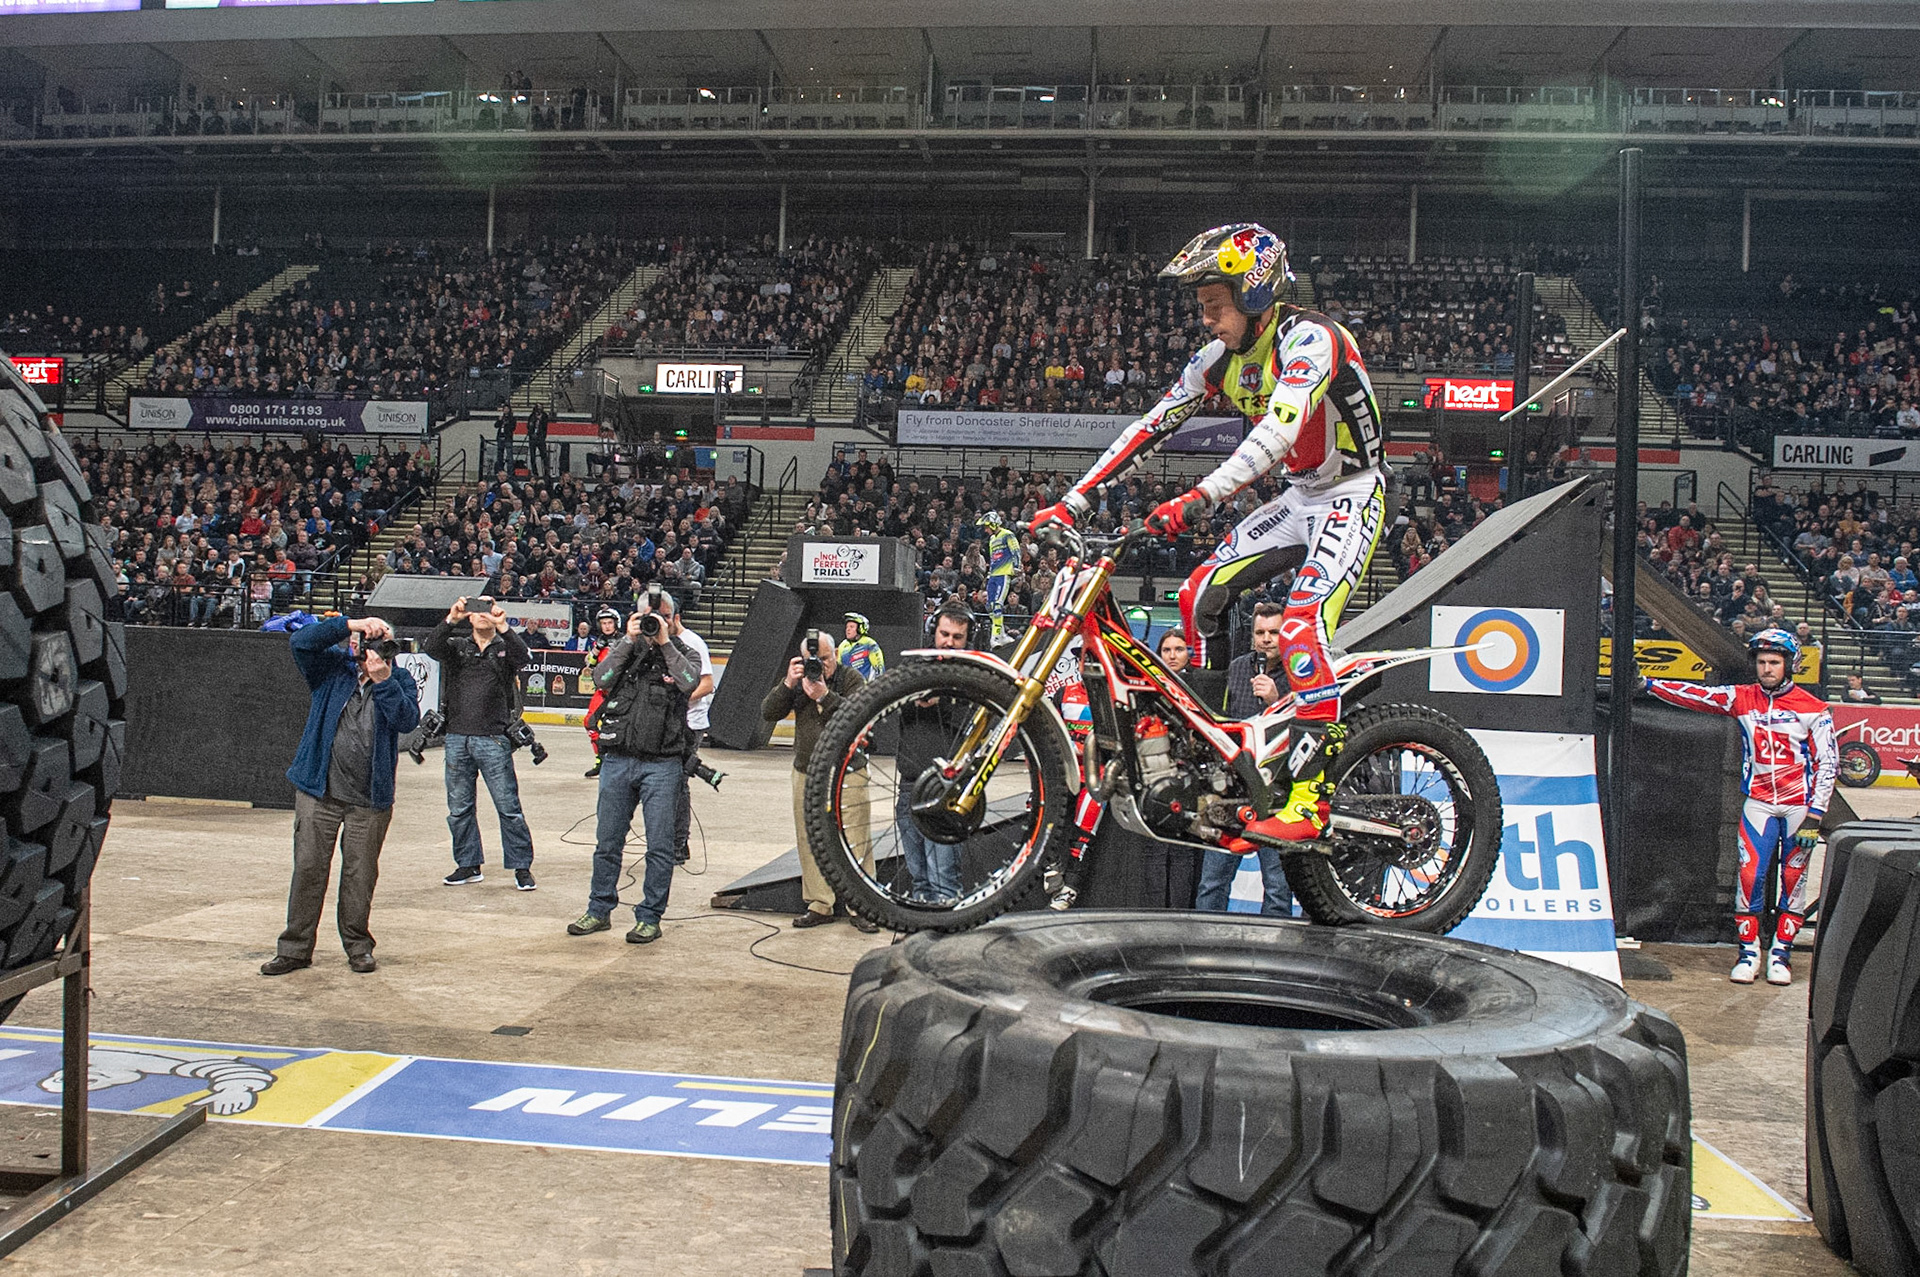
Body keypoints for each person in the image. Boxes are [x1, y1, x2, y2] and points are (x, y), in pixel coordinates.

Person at [1032, 223, 1386, 847]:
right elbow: (1151, 426)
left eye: (1213, 306)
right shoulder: (1220, 362)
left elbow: (1277, 431)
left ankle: (1311, 799)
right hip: (1301, 495)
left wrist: (1203, 495)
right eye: (1201, 308)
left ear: (1255, 294)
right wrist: (1073, 499)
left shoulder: (1314, 340)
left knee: (1302, 626)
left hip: (1353, 493)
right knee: (1197, 595)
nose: (1205, 320)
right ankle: (1221, 752)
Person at [1642, 628, 1836, 986]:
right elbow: (1699, 696)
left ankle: (1781, 954)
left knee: (1793, 881)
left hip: (1799, 808)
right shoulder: (1742, 697)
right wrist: (1650, 685)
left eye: (1774, 662)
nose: (1767, 668)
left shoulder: (1815, 709)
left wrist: (1815, 815)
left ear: (1788, 665)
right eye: (1762, 662)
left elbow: (1829, 764)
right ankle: (1749, 953)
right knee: (1748, 878)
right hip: (1759, 803)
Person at [262, 614, 419, 976]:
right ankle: (295, 948)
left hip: (369, 798)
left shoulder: (400, 679)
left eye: (382, 643)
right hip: (320, 791)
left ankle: (358, 947)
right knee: (308, 869)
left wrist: (383, 681)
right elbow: (300, 642)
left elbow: (406, 720)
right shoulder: (331, 671)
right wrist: (352, 623)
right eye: (368, 641)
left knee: (360, 875)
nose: (374, 649)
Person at [569, 606, 704, 944]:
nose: (654, 621)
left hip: (663, 762)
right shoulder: (626, 649)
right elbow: (600, 679)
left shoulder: (684, 652)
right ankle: (598, 910)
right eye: (647, 615)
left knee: (660, 846)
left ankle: (650, 917)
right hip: (617, 759)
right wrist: (628, 640)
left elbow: (690, 684)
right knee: (607, 842)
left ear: (674, 619)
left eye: (662, 616)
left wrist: (664, 643)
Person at [761, 631, 878, 932]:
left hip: (848, 771)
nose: (821, 665)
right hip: (807, 770)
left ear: (836, 654)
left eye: (825, 659)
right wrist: (789, 683)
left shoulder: (852, 678)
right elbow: (768, 712)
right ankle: (819, 903)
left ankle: (862, 906)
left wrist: (824, 696)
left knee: (856, 839)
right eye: (815, 660)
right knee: (809, 838)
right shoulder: (798, 681)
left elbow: (859, 715)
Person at [425, 596, 537, 891]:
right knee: (459, 807)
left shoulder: (504, 647)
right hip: (457, 737)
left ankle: (521, 867)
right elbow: (431, 647)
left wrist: (504, 626)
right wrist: (452, 618)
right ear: (469, 616)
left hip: (494, 737)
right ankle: (467, 864)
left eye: (489, 607)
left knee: (508, 806)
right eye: (477, 609)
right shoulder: (457, 646)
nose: (483, 614)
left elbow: (524, 657)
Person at [1196, 603, 1293, 916]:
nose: (1266, 639)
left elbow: (1309, 727)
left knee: (1277, 885)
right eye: (1260, 633)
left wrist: (1277, 699)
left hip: (1277, 790)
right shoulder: (1238, 667)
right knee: (1212, 881)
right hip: (1233, 789)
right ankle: (1207, 947)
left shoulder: (1300, 670)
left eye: (1273, 632)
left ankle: (1273, 953)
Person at [895, 602, 972, 904]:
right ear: (932, 631)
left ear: (969, 639)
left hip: (947, 789)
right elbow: (886, 705)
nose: (949, 642)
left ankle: (944, 938)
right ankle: (921, 932)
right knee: (918, 874)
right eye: (944, 633)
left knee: (944, 877)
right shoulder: (912, 668)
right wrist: (912, 699)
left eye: (957, 636)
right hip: (909, 784)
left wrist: (943, 700)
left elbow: (976, 721)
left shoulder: (973, 675)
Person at [639, 589, 714, 867]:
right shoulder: (646, 640)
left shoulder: (692, 643)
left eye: (666, 616)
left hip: (689, 723)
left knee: (679, 782)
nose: (660, 621)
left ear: (676, 618)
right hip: (660, 721)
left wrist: (677, 699)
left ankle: (679, 843)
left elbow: (707, 684)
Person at [581, 606, 622, 778]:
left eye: (609, 623)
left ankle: (618, 761)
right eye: (604, 623)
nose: (606, 626)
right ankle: (601, 759)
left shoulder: (624, 640)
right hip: (602, 690)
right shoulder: (598, 641)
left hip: (620, 691)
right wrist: (597, 648)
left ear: (616, 624)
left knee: (618, 727)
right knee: (589, 722)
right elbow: (589, 662)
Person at [978, 510, 1023, 647]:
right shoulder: (992, 539)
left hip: (1004, 574)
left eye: (986, 526)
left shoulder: (1007, 535)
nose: (985, 530)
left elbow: (1016, 551)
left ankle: (995, 636)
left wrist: (1016, 566)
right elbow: (992, 558)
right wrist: (989, 573)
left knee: (998, 604)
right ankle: (1002, 634)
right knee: (990, 606)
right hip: (994, 575)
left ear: (992, 524)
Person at [837, 611, 886, 683]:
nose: (848, 629)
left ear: (861, 628)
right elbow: (838, 669)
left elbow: (879, 668)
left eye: (852, 627)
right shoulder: (842, 646)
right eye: (847, 627)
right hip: (848, 689)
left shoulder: (869, 644)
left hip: (866, 689)